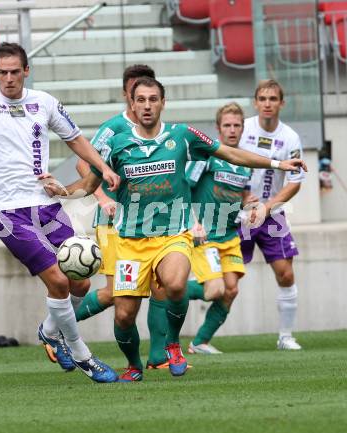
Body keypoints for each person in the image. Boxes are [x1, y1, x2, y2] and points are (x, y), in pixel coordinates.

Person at [43, 77, 306, 381]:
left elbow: (230, 153)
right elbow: (88, 184)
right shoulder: (117, 141)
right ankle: (133, 365)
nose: (147, 105)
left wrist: (276, 164)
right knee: (125, 315)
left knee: (176, 284)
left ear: (163, 103)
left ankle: (172, 345)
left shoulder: (182, 135)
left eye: (153, 99)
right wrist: (60, 191)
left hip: (173, 234)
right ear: (132, 104)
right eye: (141, 100)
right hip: (130, 240)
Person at [0, 42, 120, 383]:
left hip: (45, 204)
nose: (8, 78)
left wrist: (102, 168)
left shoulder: (43, 102)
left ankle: (50, 332)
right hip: (6, 212)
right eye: (2, 72)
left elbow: (75, 138)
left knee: (81, 282)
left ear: (26, 71)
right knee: (60, 280)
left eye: (14, 72)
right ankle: (83, 355)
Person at [73, 65, 170, 369]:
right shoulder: (114, 128)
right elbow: (82, 165)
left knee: (159, 286)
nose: (139, 100)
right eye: (133, 93)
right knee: (118, 294)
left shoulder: (159, 131)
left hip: (152, 223)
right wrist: (102, 199)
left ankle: (157, 357)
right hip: (116, 223)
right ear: (127, 95)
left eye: (146, 94)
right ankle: (57, 330)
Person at [238, 79, 305, 350]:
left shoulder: (290, 137)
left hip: (272, 214)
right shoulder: (243, 129)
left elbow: (295, 180)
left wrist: (268, 206)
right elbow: (228, 160)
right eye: (263, 99)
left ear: (281, 103)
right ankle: (199, 339)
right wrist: (243, 196)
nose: (267, 104)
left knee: (286, 274)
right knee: (223, 280)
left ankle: (286, 336)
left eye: (273, 99)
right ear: (255, 102)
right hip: (238, 213)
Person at [185, 102, 252, 355]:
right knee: (215, 290)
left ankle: (200, 342)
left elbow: (242, 195)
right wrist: (194, 223)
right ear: (218, 128)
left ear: (243, 128)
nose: (232, 130)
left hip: (229, 235)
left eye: (237, 125)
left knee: (231, 290)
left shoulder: (245, 162)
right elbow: (184, 187)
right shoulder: (207, 154)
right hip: (206, 236)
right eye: (227, 125)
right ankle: (168, 290)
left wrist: (250, 205)